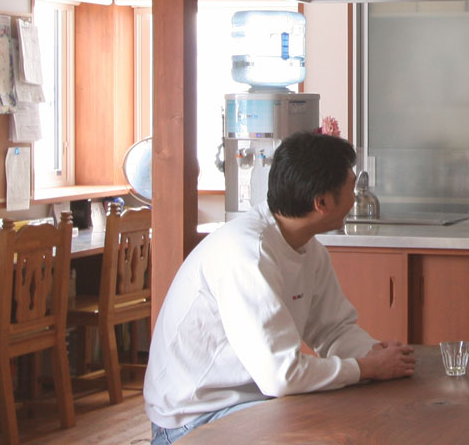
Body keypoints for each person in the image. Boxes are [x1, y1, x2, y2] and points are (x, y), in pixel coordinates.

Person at [144, 132, 416, 444]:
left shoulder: (308, 248)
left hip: (258, 401)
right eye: (351, 188)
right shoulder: (246, 253)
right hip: (195, 420)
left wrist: (373, 353)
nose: (355, 198)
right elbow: (280, 376)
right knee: (338, 429)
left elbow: (333, 330)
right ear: (322, 203)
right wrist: (366, 368)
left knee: (362, 416)